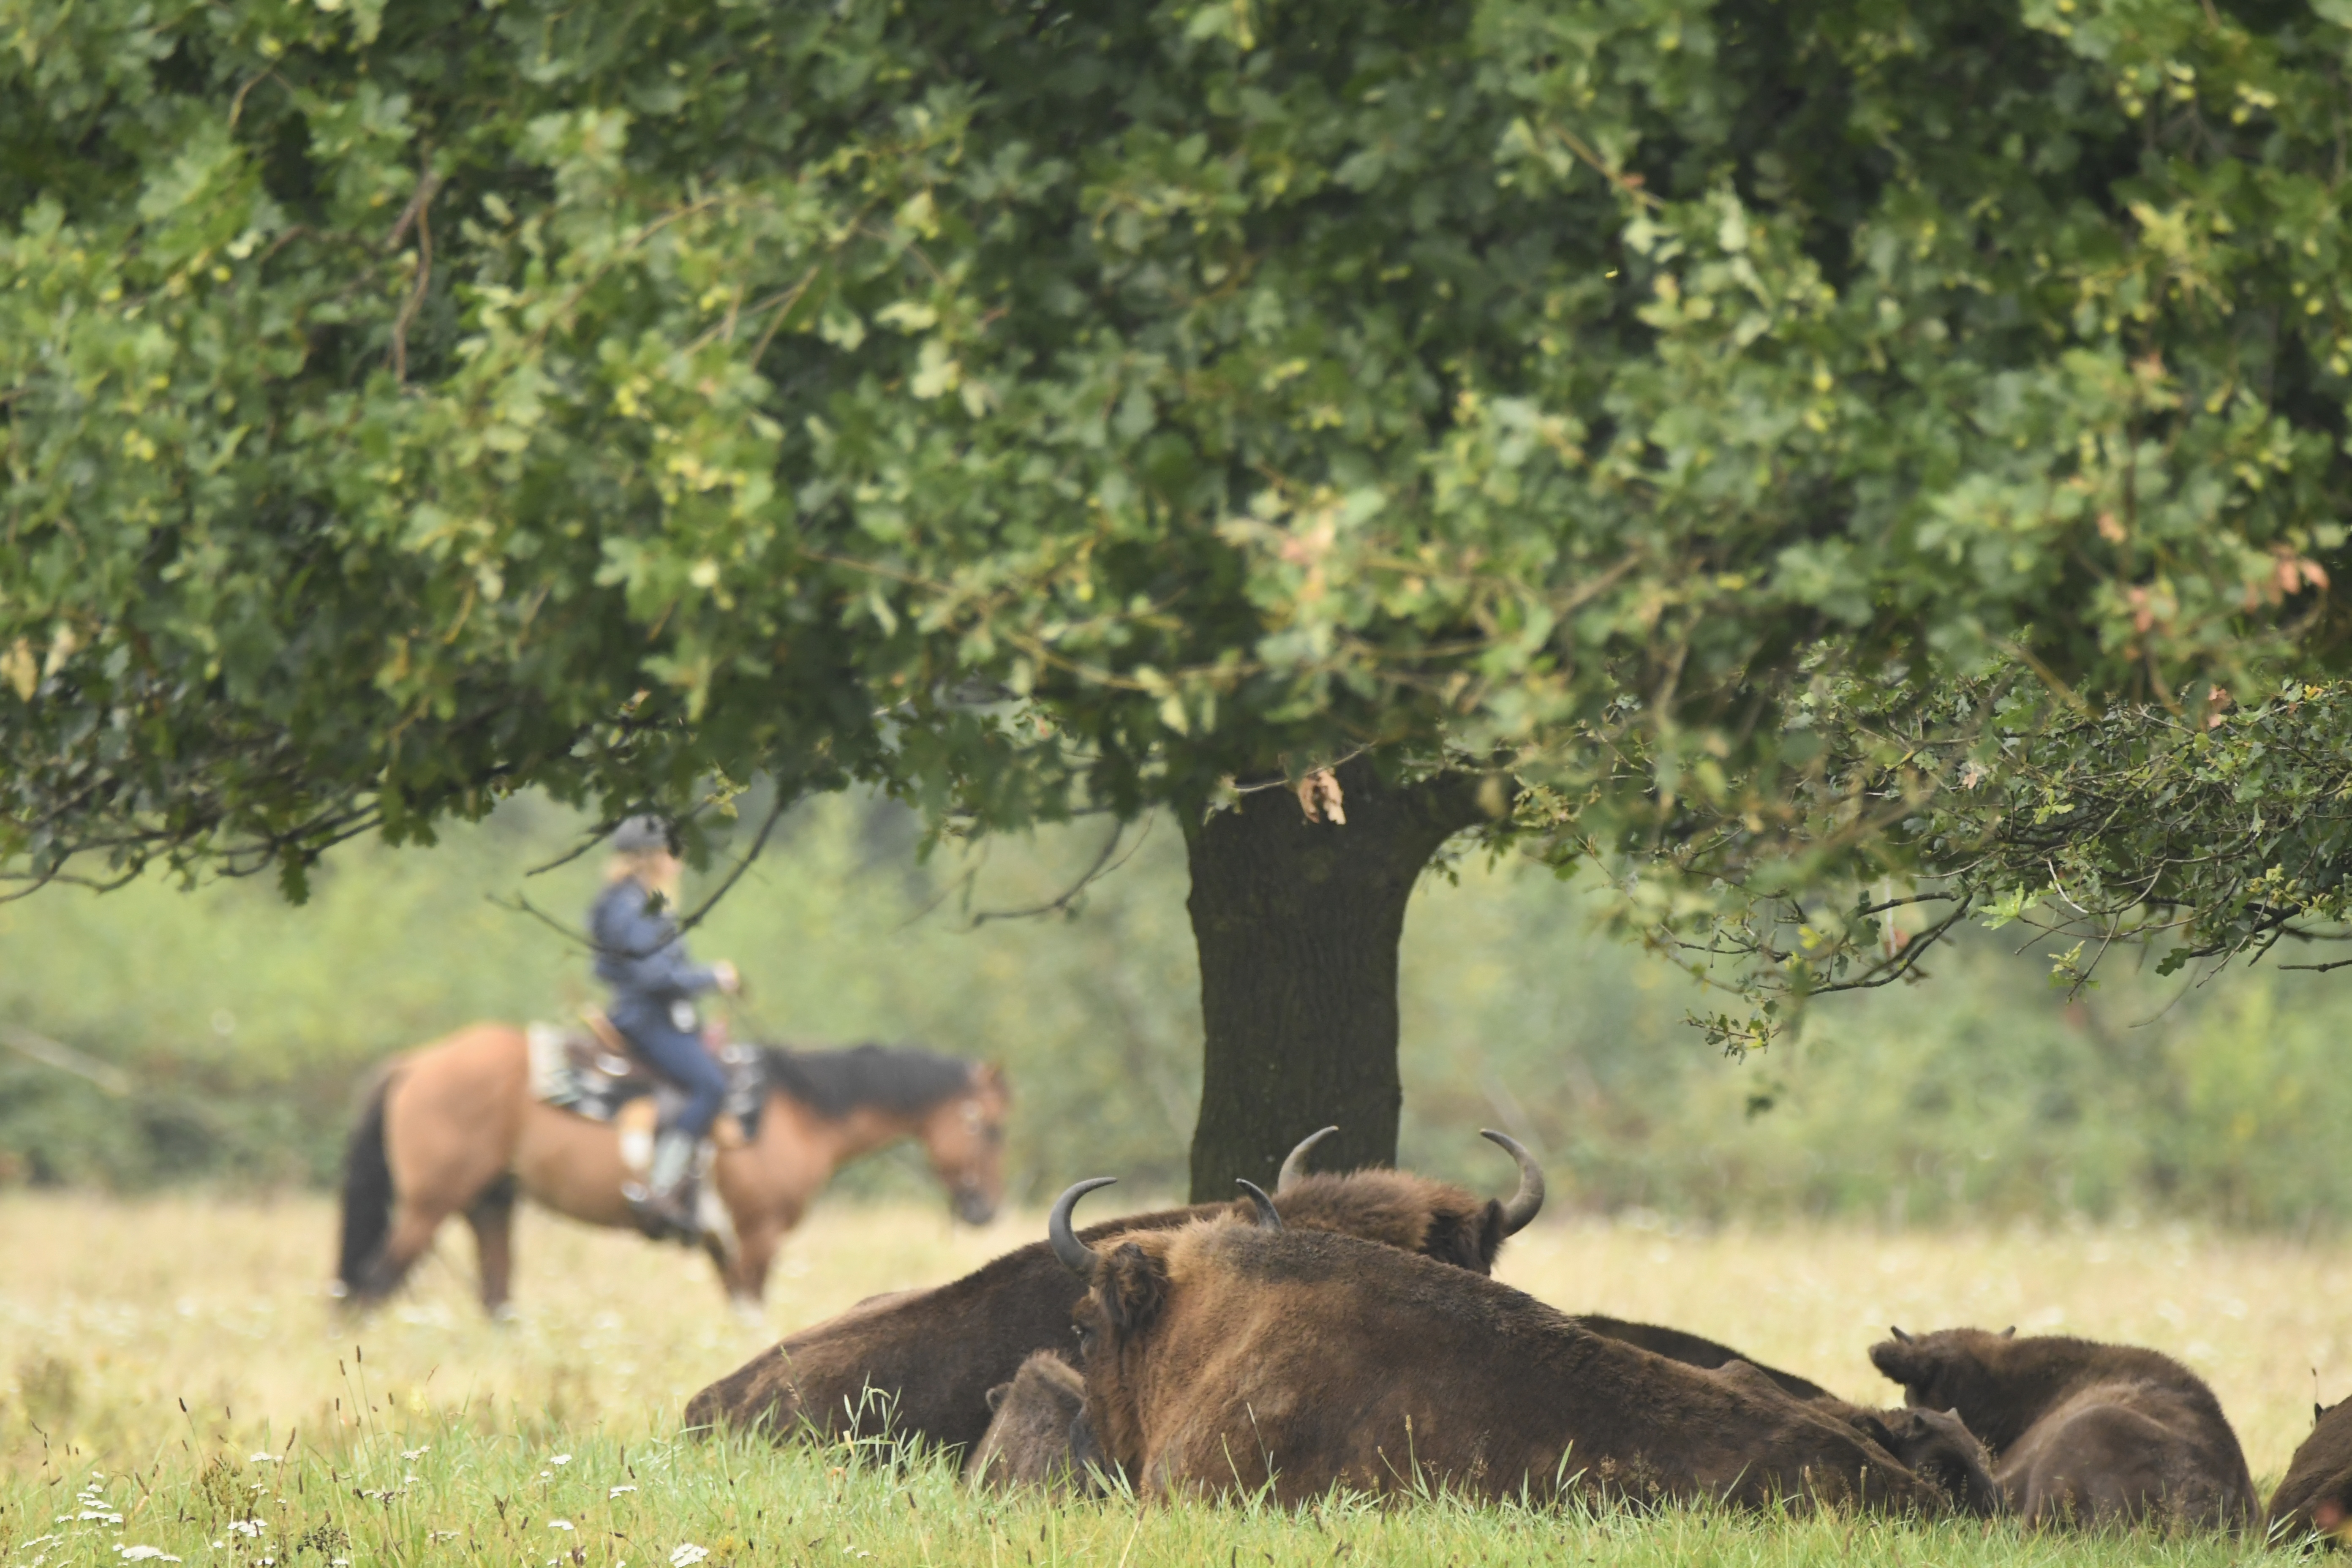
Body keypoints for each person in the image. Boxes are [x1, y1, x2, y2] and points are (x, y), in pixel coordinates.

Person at [589, 816, 740, 1239]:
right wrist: (713, 977)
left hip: (656, 1014)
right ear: (649, 857)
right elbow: (653, 977)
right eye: (673, 852)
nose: (679, 861)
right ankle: (660, 1186)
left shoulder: (634, 899)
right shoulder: (633, 906)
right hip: (648, 1019)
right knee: (711, 1085)